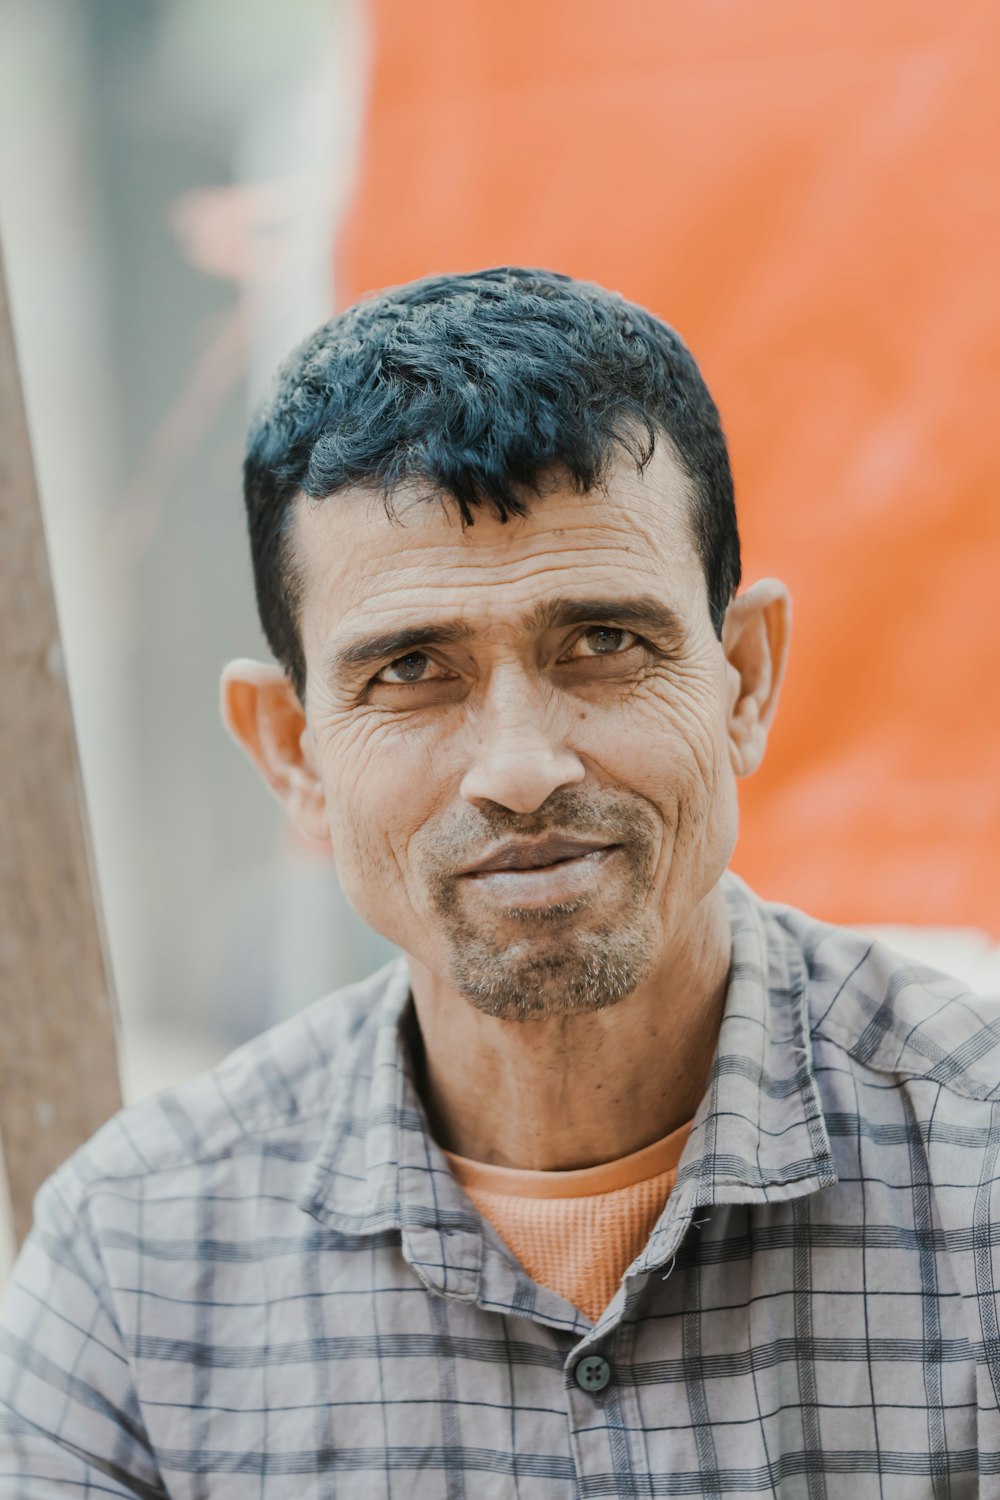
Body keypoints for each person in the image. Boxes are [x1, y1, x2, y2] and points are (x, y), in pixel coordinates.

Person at [1, 267, 998, 1498]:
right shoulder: (135, 1264)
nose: (521, 771)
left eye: (603, 643)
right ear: (288, 749)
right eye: (412, 668)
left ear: (743, 677)